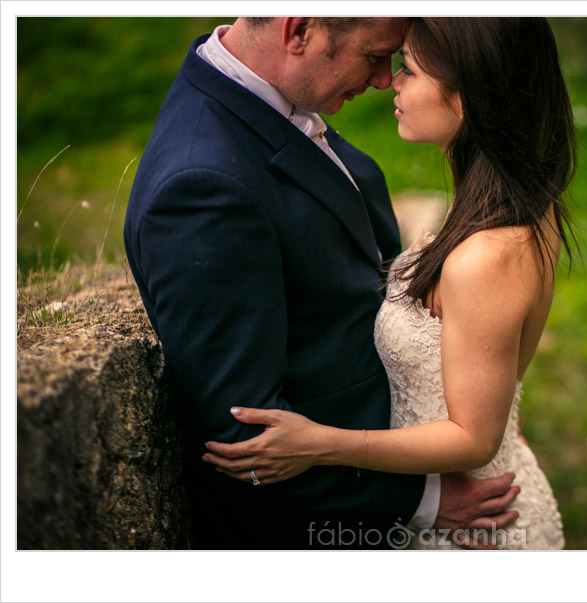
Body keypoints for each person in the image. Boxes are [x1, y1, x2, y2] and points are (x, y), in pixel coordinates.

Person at [123, 17, 520, 549]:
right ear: (300, 31)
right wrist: (421, 499)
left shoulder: (268, 101)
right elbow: (246, 434)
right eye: (376, 55)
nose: (384, 80)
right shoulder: (202, 186)